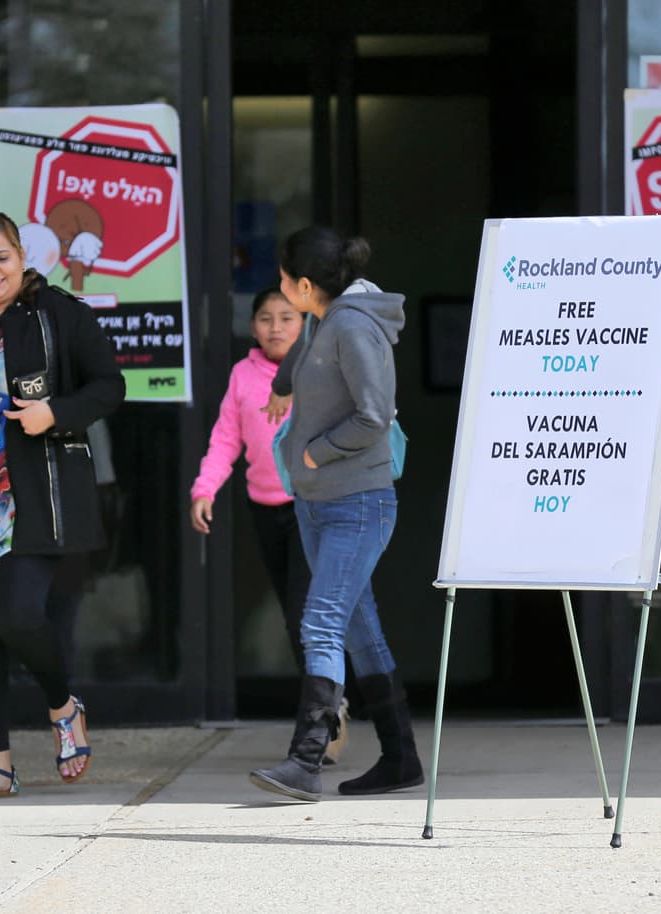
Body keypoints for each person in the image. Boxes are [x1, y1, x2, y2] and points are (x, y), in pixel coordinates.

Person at [0, 211, 125, 803]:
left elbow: (109, 387)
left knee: (17, 616)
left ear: (22, 256)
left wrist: (56, 413)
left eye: (1, 257)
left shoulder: (58, 315)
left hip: (35, 495)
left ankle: (62, 703)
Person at [249, 226, 423, 802]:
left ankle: (305, 761)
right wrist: (280, 382)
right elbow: (303, 356)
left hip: (358, 502)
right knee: (357, 627)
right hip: (318, 503)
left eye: (282, 279)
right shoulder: (326, 319)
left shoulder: (351, 325)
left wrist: (313, 451)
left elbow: (374, 415)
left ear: (303, 286)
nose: (277, 288)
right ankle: (400, 758)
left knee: (320, 621)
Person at [189, 287, 349, 762]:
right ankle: (333, 703)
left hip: (315, 508)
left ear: (304, 324)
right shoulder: (243, 374)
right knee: (291, 616)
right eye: (265, 318)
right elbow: (225, 438)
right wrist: (205, 489)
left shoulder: (319, 368)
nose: (276, 327)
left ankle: (322, 722)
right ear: (253, 325)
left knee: (308, 618)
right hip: (266, 509)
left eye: (286, 317)